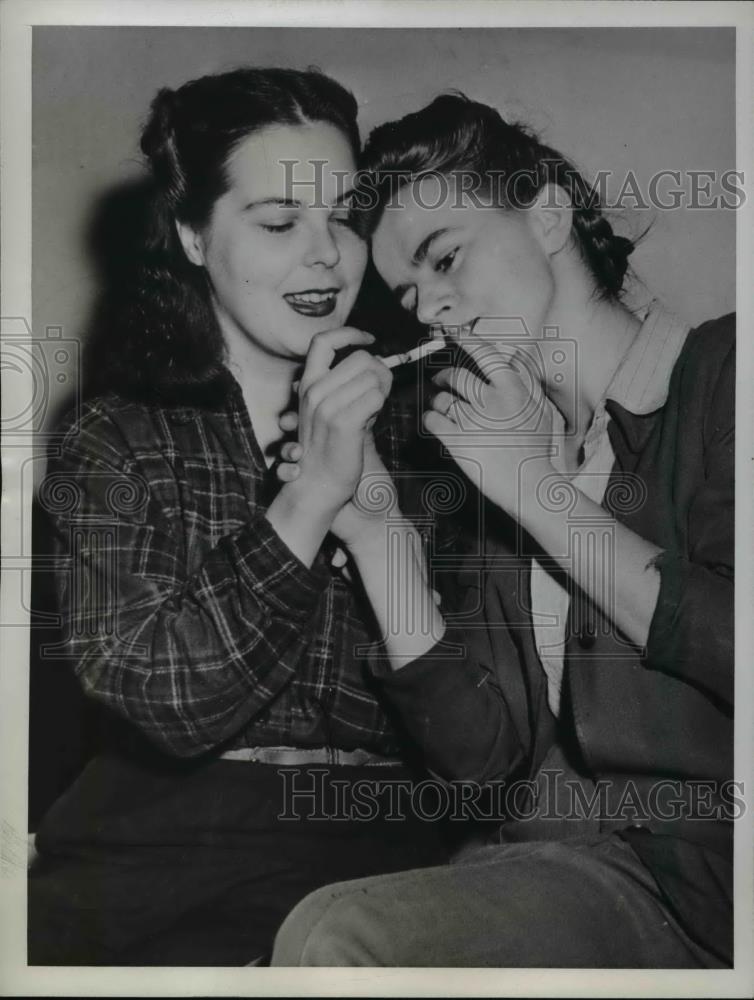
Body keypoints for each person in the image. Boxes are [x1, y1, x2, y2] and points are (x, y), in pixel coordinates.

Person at [270, 93, 735, 967]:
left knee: (343, 939)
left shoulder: (722, 374)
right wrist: (378, 537)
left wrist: (538, 491)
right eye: (411, 294)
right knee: (330, 931)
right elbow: (483, 766)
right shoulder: (497, 449)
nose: (433, 310)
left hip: (714, 896)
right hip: (577, 873)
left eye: (446, 259)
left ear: (548, 214)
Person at [27, 68, 461, 967]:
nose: (326, 257)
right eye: (277, 223)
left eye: (344, 216)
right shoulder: (116, 440)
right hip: (162, 877)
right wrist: (307, 503)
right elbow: (171, 702)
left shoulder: (436, 441)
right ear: (191, 235)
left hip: (387, 872)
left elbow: (482, 754)